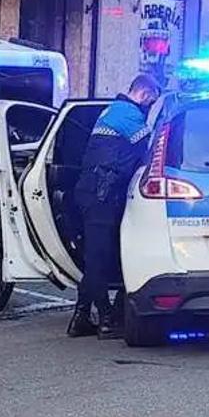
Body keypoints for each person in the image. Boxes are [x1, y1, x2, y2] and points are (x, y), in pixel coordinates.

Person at [68, 73, 162, 339]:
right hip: (103, 194)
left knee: (95, 257)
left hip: (92, 191)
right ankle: (107, 318)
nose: (149, 108)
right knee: (98, 259)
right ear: (143, 95)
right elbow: (151, 151)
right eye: (151, 102)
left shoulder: (112, 110)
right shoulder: (128, 115)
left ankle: (81, 316)